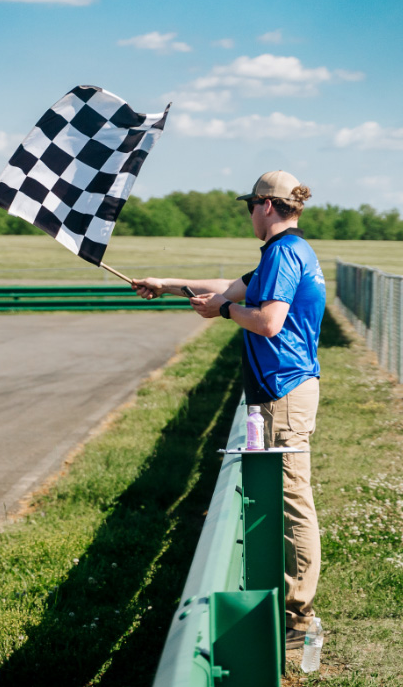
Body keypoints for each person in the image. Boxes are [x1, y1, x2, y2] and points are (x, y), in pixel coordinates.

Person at [132, 170, 326, 649]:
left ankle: (299, 617)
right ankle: (295, 609)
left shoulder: (282, 253)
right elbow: (229, 286)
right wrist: (166, 283)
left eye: (250, 207)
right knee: (288, 495)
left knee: (292, 497)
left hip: (283, 389)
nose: (249, 216)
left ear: (265, 205)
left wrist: (220, 312)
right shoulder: (291, 251)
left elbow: (267, 321)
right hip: (286, 388)